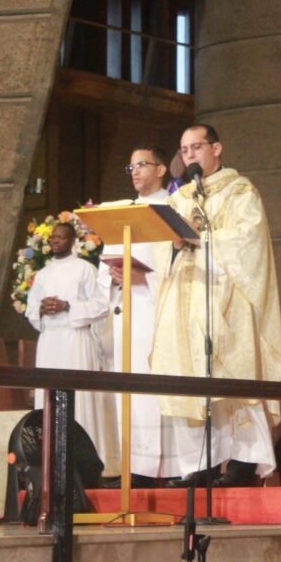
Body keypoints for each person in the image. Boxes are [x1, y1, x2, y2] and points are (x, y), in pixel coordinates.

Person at [150, 124, 281, 488]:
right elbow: (162, 248)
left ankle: (244, 463)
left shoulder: (240, 191)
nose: (190, 155)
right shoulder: (179, 199)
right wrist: (176, 246)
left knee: (234, 378)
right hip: (186, 298)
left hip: (227, 297)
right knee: (191, 385)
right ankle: (202, 464)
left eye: (196, 146)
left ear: (217, 148)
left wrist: (201, 239)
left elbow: (249, 241)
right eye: (184, 149)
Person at [94, 145, 171, 485]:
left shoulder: (172, 210)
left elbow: (179, 270)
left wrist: (146, 278)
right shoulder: (120, 214)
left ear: (162, 169)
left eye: (143, 164)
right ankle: (131, 465)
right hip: (125, 315)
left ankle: (162, 468)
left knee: (154, 390)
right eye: (131, 166)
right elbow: (103, 270)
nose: (136, 171)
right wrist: (112, 277)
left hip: (156, 315)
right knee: (126, 391)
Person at [27, 222, 118, 473]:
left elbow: (101, 306)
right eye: (53, 237)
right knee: (49, 402)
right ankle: (52, 465)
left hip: (76, 340)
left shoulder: (85, 269)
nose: (55, 241)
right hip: (50, 343)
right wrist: (41, 309)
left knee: (80, 401)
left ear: (72, 240)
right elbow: (30, 309)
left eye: (61, 237)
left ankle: (87, 466)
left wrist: (68, 307)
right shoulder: (43, 274)